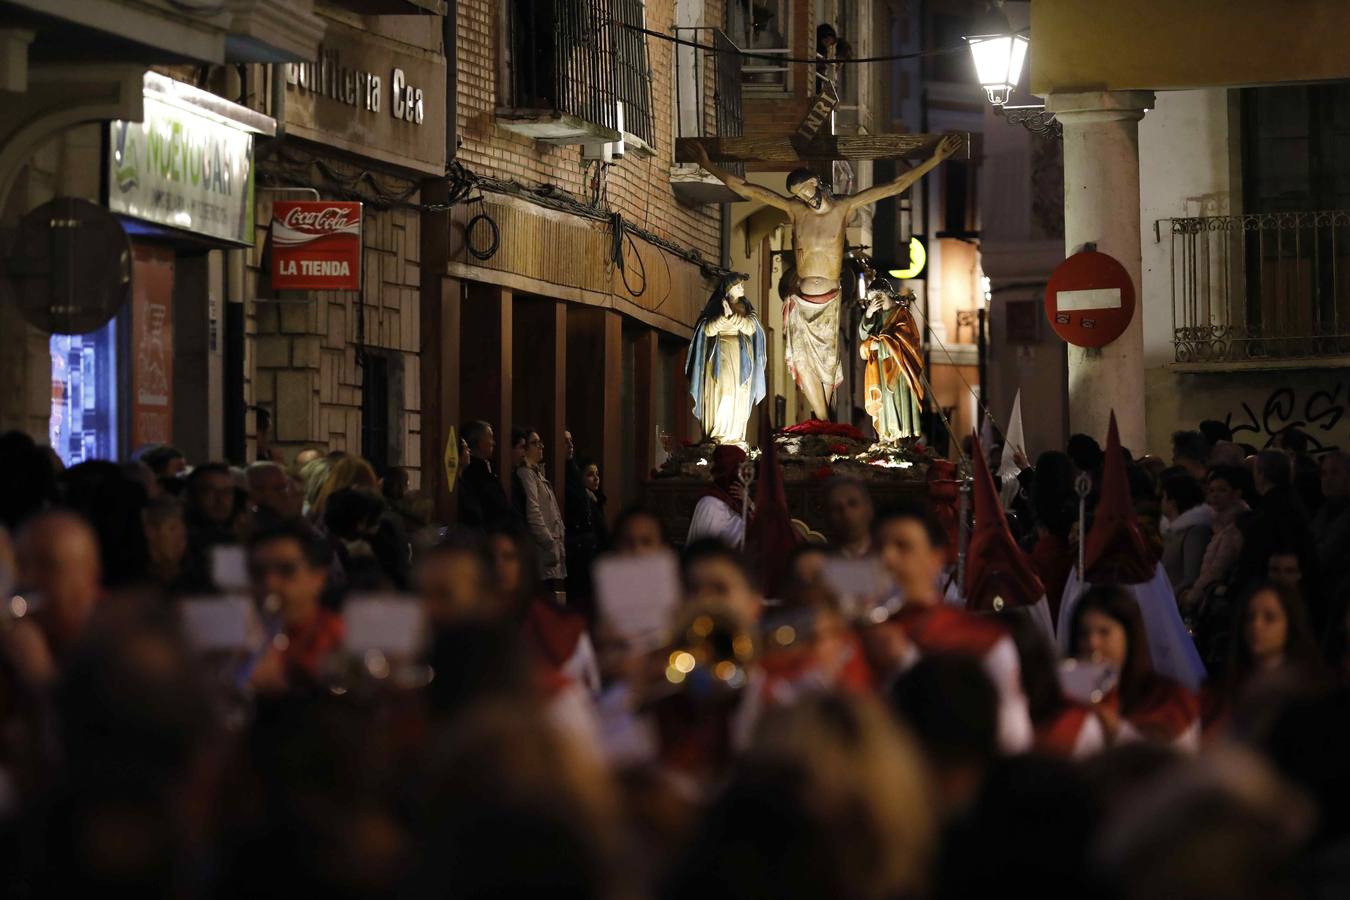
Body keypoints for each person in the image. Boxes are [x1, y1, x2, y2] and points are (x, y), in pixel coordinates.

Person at [690, 134, 962, 420]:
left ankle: (825, 421)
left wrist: (936, 158)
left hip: (829, 300)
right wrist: (708, 165)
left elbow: (895, 186)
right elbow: (746, 188)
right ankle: (822, 421)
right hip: (801, 299)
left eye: (807, 189)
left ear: (817, 182)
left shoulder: (844, 208)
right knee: (802, 361)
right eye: (799, 195)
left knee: (828, 365)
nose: (806, 197)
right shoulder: (795, 211)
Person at [863, 503, 1034, 753]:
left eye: (903, 546)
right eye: (878, 548)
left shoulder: (981, 641)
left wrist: (906, 663)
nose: (887, 559)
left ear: (936, 559)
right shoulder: (847, 636)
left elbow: (1010, 738)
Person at [1068, 584, 1201, 750]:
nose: (1092, 643)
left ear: (1129, 636)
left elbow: (1174, 764)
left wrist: (1115, 729)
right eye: (1083, 634)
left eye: (1104, 632)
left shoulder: (1167, 700)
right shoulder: (1068, 698)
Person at [6, 511, 103, 686]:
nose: (28, 579)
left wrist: (38, 675)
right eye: (21, 564)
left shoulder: (116, 644)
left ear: (88, 577)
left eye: (48, 565)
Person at [246, 521, 344, 691]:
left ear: (318, 579)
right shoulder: (240, 638)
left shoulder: (338, 639)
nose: (270, 583)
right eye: (258, 572)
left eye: (286, 570)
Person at [686, 273, 767, 446]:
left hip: (741, 357)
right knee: (723, 393)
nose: (742, 288)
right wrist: (723, 318)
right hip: (720, 356)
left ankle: (735, 435)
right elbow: (707, 330)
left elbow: (751, 328)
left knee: (740, 395)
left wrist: (733, 317)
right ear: (729, 288)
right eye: (738, 286)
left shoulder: (746, 308)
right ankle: (719, 434)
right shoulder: (716, 307)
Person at [858, 278, 924, 442]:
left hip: (899, 369)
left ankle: (899, 439)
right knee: (885, 404)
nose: (873, 302)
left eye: (875, 297)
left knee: (895, 401)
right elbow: (864, 335)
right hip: (880, 369)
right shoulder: (877, 317)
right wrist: (868, 313)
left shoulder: (902, 314)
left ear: (882, 295)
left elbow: (906, 341)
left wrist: (877, 346)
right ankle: (886, 438)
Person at [1183, 465, 1251, 611]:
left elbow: (1216, 569)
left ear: (1236, 494)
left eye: (1222, 490)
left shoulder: (1234, 528)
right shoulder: (1219, 524)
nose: (1214, 495)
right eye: (1211, 490)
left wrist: (1192, 597)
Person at [514, 428, 566, 591]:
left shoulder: (537, 474)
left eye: (540, 443)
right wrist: (549, 542)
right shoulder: (526, 473)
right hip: (541, 548)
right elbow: (534, 512)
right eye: (535, 443)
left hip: (550, 548)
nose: (540, 446)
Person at [458, 420, 519, 530]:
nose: (493, 443)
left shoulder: (488, 469)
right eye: (490, 437)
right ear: (480, 443)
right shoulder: (474, 475)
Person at [1160, 471, 1212, 597]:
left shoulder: (1195, 532)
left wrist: (1167, 597)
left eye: (1163, 497)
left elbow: (1191, 577)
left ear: (1172, 502)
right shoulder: (1171, 531)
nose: (1160, 502)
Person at [686, 445, 750, 547]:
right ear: (730, 469)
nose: (745, 473)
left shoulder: (738, 498)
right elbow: (709, 546)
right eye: (741, 467)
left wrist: (749, 503)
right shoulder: (710, 504)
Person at [142, 495, 188, 591]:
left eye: (183, 529)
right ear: (151, 532)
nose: (181, 537)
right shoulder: (136, 587)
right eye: (172, 528)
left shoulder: (194, 581)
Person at [822, 475, 874, 558]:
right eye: (836, 508)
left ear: (868, 508)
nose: (846, 513)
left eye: (853, 504)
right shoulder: (816, 563)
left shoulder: (890, 559)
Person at [246, 461, 303, 527]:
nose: (285, 494)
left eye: (284, 488)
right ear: (256, 492)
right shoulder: (250, 525)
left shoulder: (288, 518)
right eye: (278, 489)